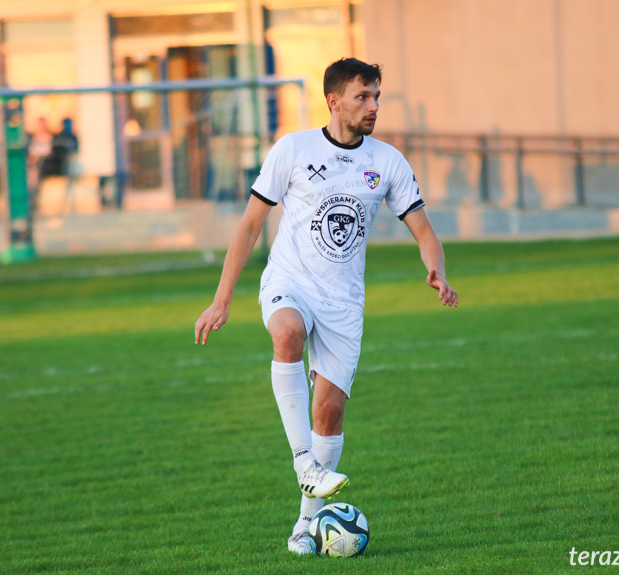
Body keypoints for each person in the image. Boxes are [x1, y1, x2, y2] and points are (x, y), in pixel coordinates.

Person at [194, 58, 459, 554]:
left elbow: (424, 229)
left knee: (331, 412)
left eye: (377, 96)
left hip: (344, 301)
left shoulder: (387, 162)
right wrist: (221, 299)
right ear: (334, 101)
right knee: (287, 333)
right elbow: (251, 225)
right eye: (363, 97)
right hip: (289, 281)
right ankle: (305, 464)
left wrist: (437, 270)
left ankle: (304, 526)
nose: (373, 106)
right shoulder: (292, 149)